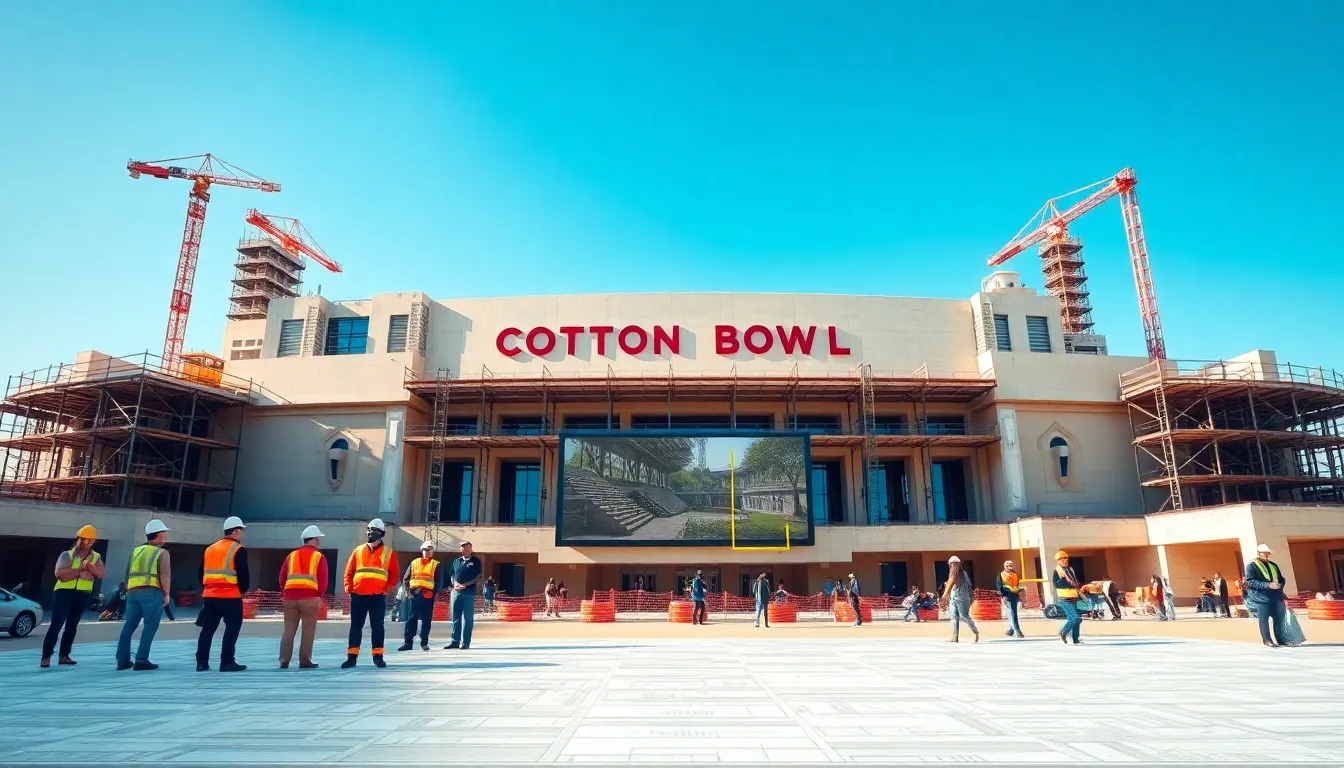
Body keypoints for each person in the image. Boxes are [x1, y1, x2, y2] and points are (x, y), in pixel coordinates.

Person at [41, 524, 106, 668]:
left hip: (82, 594)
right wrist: (79, 571)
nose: (87, 543)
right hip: (63, 592)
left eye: (91, 540)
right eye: (85, 540)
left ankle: (64, 656)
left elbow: (101, 574)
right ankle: (46, 657)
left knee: (72, 626)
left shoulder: (96, 557)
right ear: (79, 539)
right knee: (56, 624)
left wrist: (89, 567)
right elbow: (60, 574)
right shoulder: (67, 555)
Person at [196, 516, 250, 673]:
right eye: (240, 530)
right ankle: (227, 662)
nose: (241, 533)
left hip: (210, 595)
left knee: (208, 628)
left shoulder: (210, 549)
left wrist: (208, 588)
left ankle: (201, 662)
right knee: (232, 627)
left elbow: (201, 573)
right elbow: (243, 575)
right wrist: (242, 591)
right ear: (235, 531)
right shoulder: (237, 549)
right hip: (230, 596)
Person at [343, 518, 399, 668]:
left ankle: (378, 656)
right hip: (358, 595)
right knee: (356, 626)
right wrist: (349, 587)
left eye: (374, 530)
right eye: (368, 530)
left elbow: (394, 575)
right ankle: (352, 656)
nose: (370, 533)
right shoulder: (358, 550)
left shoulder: (389, 553)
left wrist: (386, 589)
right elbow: (349, 571)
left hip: (377, 596)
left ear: (381, 533)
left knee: (378, 627)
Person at [116, 519, 171, 671]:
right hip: (151, 592)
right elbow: (165, 575)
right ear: (158, 535)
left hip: (132, 592)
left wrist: (127, 590)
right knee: (150, 626)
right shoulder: (161, 552)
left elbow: (128, 572)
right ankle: (141, 659)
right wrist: (166, 594)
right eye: (164, 533)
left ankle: (122, 660)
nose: (165, 535)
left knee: (129, 626)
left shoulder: (136, 551)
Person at [278, 524, 328, 669]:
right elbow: (323, 579)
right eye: (318, 538)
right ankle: (305, 661)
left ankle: (284, 660)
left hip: (289, 597)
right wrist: (320, 594)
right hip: (310, 598)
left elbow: (282, 577)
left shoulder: (291, 556)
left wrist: (286, 591)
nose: (319, 541)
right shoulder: (319, 556)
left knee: (289, 630)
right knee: (308, 630)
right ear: (312, 540)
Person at [1244, 543, 1292, 647]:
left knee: (1279, 618)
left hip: (1276, 595)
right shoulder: (1251, 566)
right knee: (1264, 619)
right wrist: (1267, 585)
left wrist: (1280, 585)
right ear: (1259, 553)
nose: (1266, 554)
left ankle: (1280, 639)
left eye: (1267, 552)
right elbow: (1251, 582)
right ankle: (1267, 640)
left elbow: (1281, 578)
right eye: (1264, 552)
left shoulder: (1273, 565)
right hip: (1261, 597)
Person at [399, 540, 443, 651]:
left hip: (427, 595)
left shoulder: (436, 564)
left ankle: (424, 642)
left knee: (426, 619)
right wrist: (407, 592)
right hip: (414, 594)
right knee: (411, 618)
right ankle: (408, 642)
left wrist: (433, 593)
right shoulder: (414, 562)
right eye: (425, 549)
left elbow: (439, 581)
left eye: (429, 550)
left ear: (432, 552)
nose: (426, 552)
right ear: (422, 550)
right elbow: (406, 578)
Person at [445, 541, 482, 649]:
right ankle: (455, 641)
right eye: (462, 548)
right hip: (456, 592)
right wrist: (455, 584)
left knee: (467, 618)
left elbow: (478, 576)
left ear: (471, 549)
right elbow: (452, 575)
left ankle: (466, 642)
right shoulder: (457, 561)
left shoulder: (476, 561)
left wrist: (465, 585)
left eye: (467, 548)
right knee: (455, 617)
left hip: (468, 593)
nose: (464, 550)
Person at [941, 556, 979, 643]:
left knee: (963, 615)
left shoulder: (959, 573)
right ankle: (955, 637)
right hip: (954, 597)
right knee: (954, 616)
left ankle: (975, 631)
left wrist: (944, 594)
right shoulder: (959, 573)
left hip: (962, 598)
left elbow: (951, 582)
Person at [1053, 551, 1083, 645]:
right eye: (1062, 559)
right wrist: (1069, 583)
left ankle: (1075, 639)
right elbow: (1056, 584)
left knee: (1078, 619)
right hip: (1064, 597)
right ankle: (1063, 632)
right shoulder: (1057, 571)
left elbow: (1074, 580)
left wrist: (1078, 586)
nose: (1065, 561)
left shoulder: (1070, 569)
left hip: (1073, 596)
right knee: (1074, 617)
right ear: (1058, 560)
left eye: (1066, 559)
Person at [997, 560, 1024, 638]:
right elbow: (1000, 587)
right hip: (1007, 596)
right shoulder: (1001, 575)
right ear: (1004, 566)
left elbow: (1018, 584)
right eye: (1007, 566)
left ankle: (1011, 630)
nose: (1009, 567)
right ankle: (1017, 630)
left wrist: (1019, 592)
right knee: (1013, 613)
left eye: (1010, 565)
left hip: (1015, 595)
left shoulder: (1015, 574)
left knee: (1011, 613)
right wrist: (1004, 597)